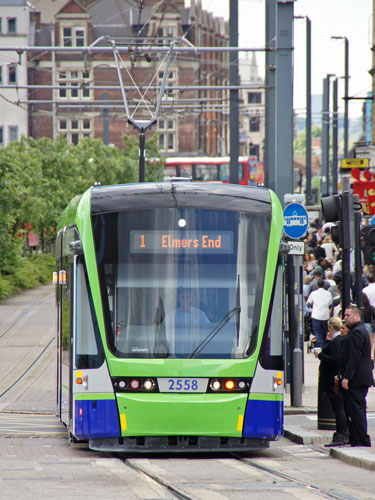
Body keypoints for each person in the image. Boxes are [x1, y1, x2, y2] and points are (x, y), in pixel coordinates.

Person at [340, 306, 374, 447]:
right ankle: (356, 439)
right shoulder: (359, 331)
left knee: (356, 410)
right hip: (359, 377)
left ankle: (361, 439)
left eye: (348, 315)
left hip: (357, 379)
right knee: (354, 409)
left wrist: (346, 377)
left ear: (356, 316)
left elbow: (354, 357)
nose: (345, 318)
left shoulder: (357, 333)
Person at [314, 316, 348, 447]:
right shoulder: (338, 340)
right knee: (339, 407)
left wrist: (320, 355)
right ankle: (343, 434)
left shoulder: (336, 342)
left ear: (331, 327)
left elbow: (335, 360)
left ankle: (341, 435)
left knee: (338, 407)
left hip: (332, 381)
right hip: (334, 379)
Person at [306, 279, 333, 348]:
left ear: (317, 285)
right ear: (324, 285)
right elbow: (330, 305)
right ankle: (323, 345)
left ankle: (319, 345)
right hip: (325, 316)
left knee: (317, 332)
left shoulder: (313, 293)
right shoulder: (328, 294)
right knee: (324, 331)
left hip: (316, 315)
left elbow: (308, 304)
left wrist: (311, 310)